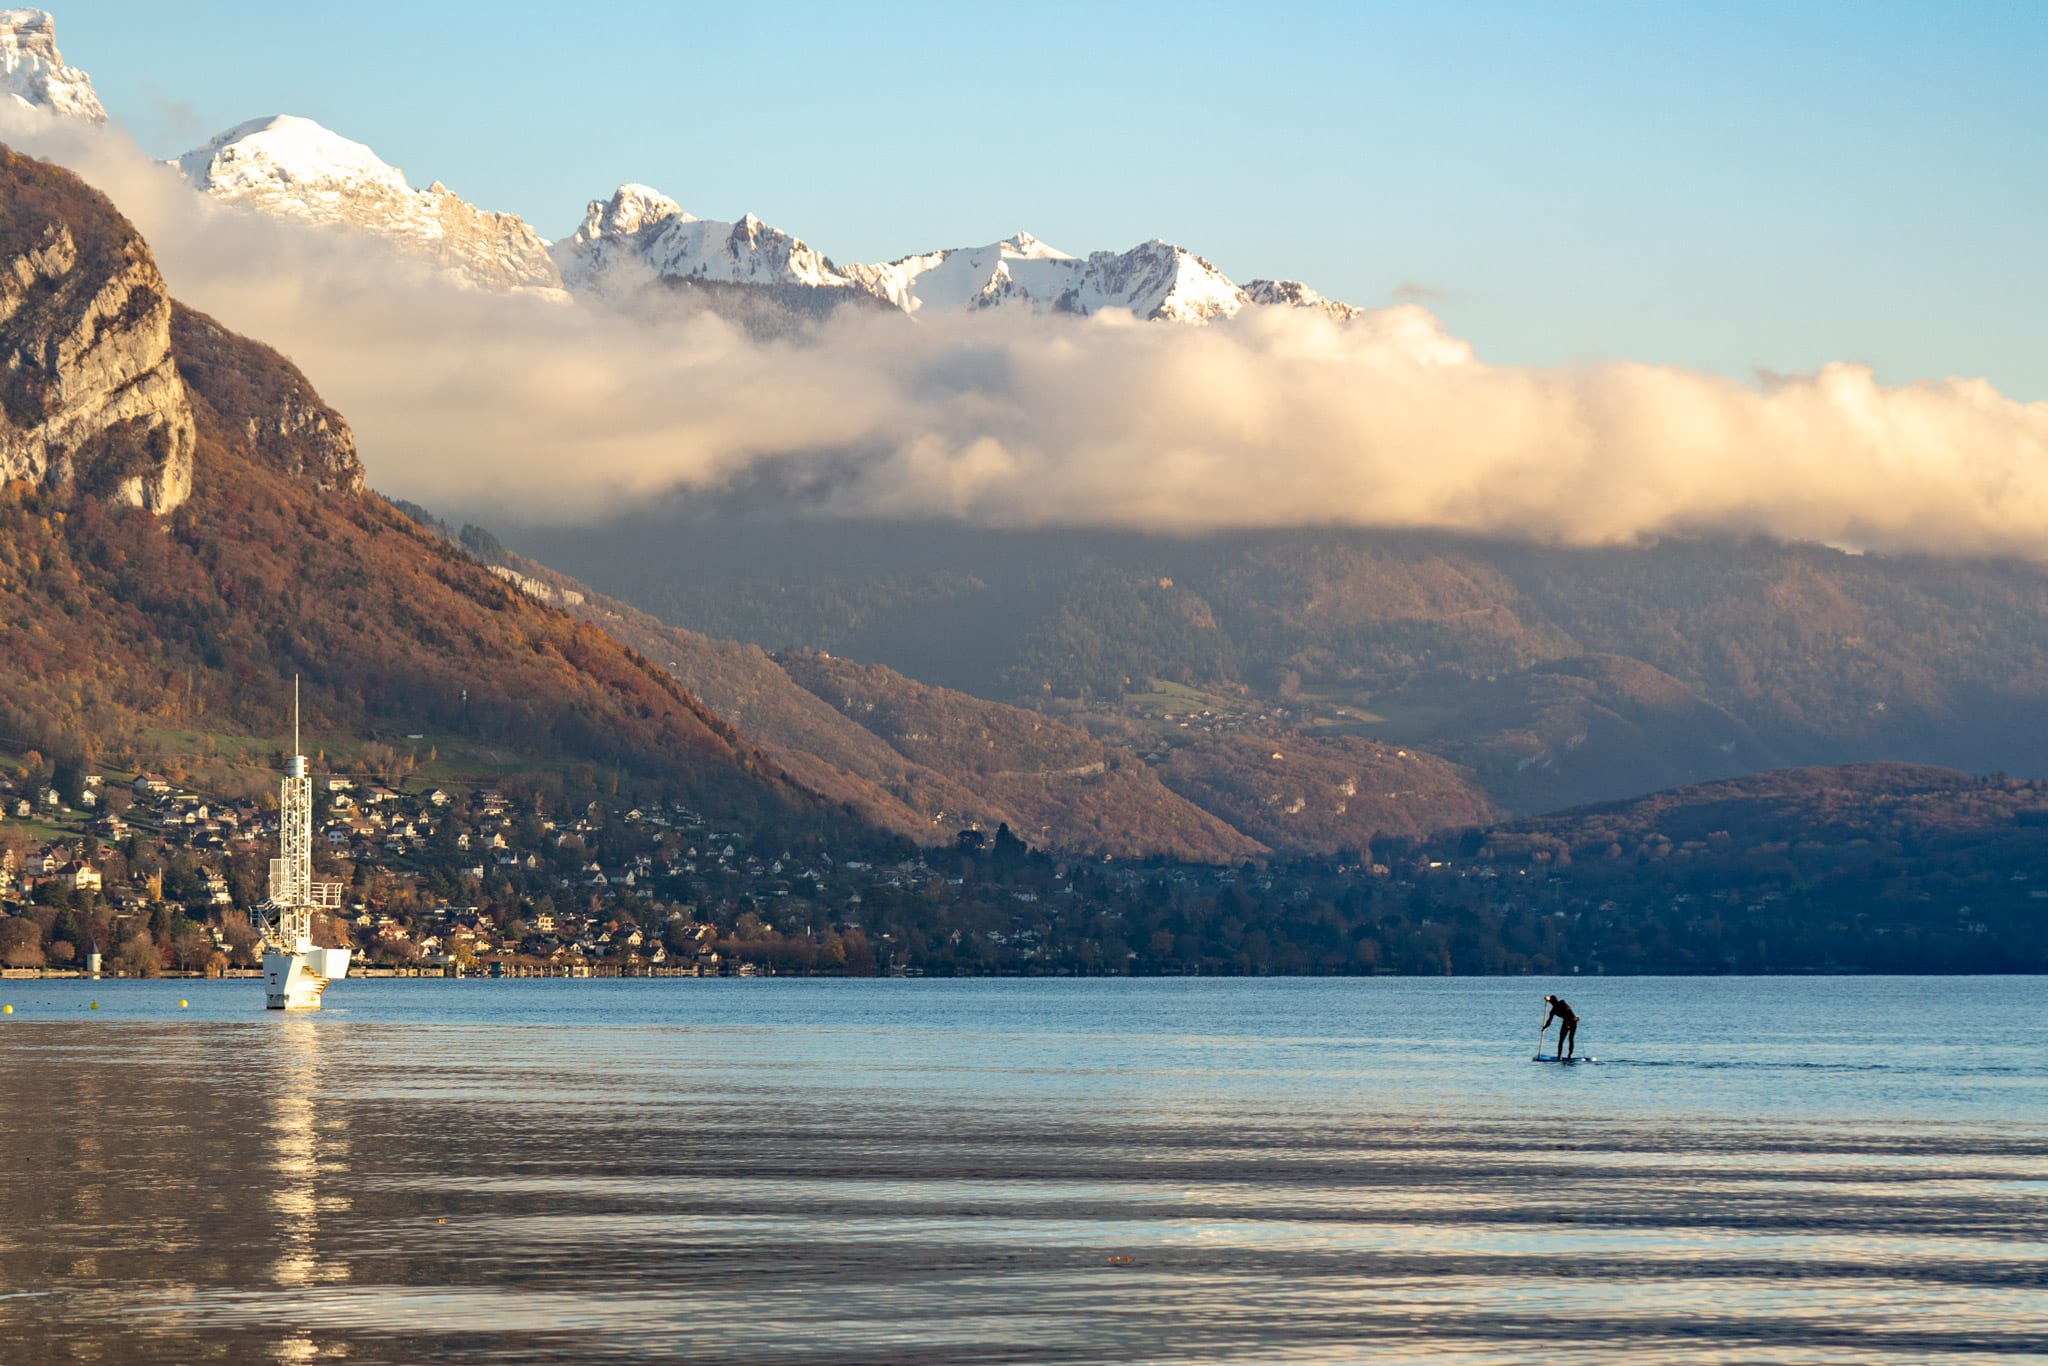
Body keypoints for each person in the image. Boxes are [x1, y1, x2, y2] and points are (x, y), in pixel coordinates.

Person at [1542, 994, 1579, 1060]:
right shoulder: (1553, 1011)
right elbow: (1549, 1021)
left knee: (1571, 1038)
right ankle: (1559, 1056)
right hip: (1566, 1022)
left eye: (1552, 1001)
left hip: (1573, 1021)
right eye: (1551, 1002)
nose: (1551, 1003)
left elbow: (1569, 1011)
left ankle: (1570, 1054)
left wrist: (1569, 1021)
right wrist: (1544, 1027)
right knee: (1561, 1040)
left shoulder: (1562, 1003)